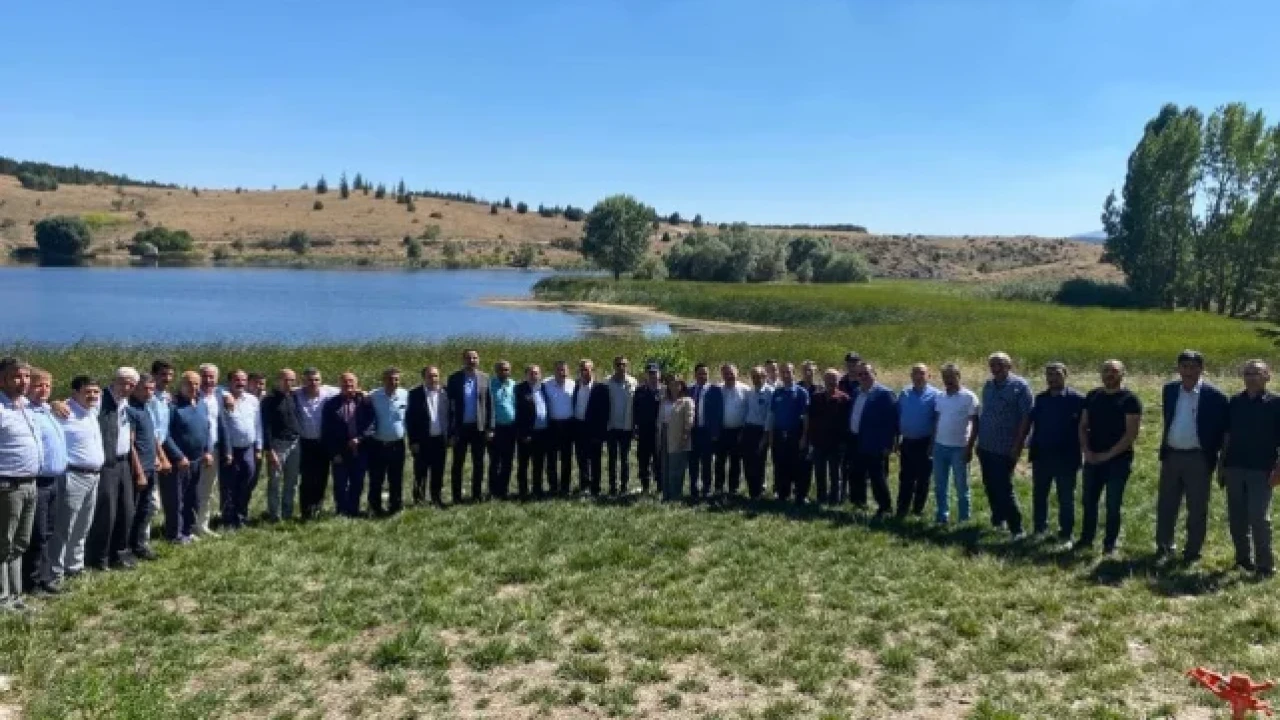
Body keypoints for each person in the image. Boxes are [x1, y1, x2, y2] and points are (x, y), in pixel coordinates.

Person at [1156, 349, 1229, 564]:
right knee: (1166, 504)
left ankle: (1192, 550)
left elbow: (1223, 431)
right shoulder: (1169, 390)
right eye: (1184, 366)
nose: (1188, 371)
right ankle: (1164, 545)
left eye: (1193, 367)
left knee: (1197, 507)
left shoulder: (1215, 396)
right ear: (1178, 368)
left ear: (1201, 369)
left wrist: (1219, 459)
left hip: (1198, 458)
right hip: (1171, 455)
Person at [1219, 360, 1280, 576]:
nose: (1252, 377)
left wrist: (1279, 469)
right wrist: (1222, 464)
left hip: (1262, 470)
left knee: (1258, 517)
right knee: (1237, 518)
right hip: (1235, 467)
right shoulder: (1235, 402)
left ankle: (1265, 565)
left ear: (1267, 376)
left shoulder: (1276, 403)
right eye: (1247, 373)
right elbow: (1227, 435)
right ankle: (1243, 559)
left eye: (1257, 373)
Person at [1078, 360, 1142, 555]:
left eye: (1114, 371)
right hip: (1092, 458)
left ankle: (1110, 543)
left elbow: (1130, 435)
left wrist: (1107, 455)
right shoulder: (1093, 396)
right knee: (1089, 501)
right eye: (1105, 370)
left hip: (1118, 460)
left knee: (1113, 505)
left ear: (1122, 374)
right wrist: (1086, 451)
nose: (1109, 374)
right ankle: (1086, 539)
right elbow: (1083, 425)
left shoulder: (1130, 400)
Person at [47, 376, 104, 589]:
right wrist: (53, 403)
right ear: (75, 393)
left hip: (94, 477)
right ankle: (55, 573)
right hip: (73, 476)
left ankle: (75, 566)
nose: (93, 395)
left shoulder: (92, 411)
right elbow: (39, 411)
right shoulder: (64, 412)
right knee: (64, 527)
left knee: (83, 525)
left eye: (96, 392)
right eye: (88, 391)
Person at [85, 367, 144, 570]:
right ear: (114, 380)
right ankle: (99, 558)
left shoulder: (125, 403)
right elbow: (76, 406)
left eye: (131, 385)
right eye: (123, 382)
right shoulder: (100, 399)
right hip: (106, 464)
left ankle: (120, 554)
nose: (126, 387)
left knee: (127, 510)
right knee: (106, 514)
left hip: (124, 462)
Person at [1027, 362, 1085, 545]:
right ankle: (1039, 529)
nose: (1052, 378)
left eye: (1057, 374)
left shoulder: (1077, 399)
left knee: (1065, 498)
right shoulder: (1040, 399)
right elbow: (1034, 425)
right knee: (1039, 495)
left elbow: (1085, 428)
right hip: (1042, 456)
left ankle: (1066, 533)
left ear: (1065, 375)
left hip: (1067, 458)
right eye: (1049, 375)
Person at [977, 352, 1032, 539]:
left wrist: (1018, 446)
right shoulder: (988, 385)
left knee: (1003, 487)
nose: (995, 368)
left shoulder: (1020, 386)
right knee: (989, 485)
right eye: (992, 364)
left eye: (999, 364)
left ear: (1009, 366)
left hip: (1005, 447)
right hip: (985, 445)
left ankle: (1017, 528)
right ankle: (998, 520)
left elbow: (1026, 418)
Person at [0, 358, 41, 611]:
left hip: (30, 484)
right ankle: (2, 599)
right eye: (17, 376)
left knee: (20, 542)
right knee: (3, 543)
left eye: (26, 376)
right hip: (8, 486)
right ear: (2, 380)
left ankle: (15, 595)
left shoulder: (26, 406)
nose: (23, 381)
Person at [24, 368, 66, 596]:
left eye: (48, 386)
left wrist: (56, 403)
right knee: (37, 534)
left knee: (48, 531)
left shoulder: (49, 410)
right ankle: (32, 582)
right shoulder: (26, 411)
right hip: (37, 481)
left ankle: (45, 576)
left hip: (53, 481)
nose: (44, 390)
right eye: (39, 385)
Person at [161, 371, 213, 544]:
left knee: (192, 497)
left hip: (197, 460)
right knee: (176, 500)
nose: (193, 387)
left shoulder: (201, 403)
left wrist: (207, 451)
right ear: (181, 384)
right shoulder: (173, 406)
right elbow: (165, 435)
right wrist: (178, 456)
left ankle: (187, 530)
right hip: (179, 462)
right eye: (189, 383)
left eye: (197, 383)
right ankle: (174, 535)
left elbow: (206, 428)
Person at [847, 364, 897, 516]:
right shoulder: (857, 392)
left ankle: (885, 507)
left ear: (874, 374)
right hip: (856, 439)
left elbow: (892, 422)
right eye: (860, 374)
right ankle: (859, 502)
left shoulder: (885, 394)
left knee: (877, 476)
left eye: (866, 374)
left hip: (875, 443)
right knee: (856, 473)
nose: (863, 377)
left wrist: (888, 444)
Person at [932, 363, 980, 525]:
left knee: (961, 486)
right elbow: (937, 420)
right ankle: (942, 516)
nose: (948, 380)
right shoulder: (940, 396)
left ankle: (963, 519)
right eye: (945, 377)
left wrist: (969, 447)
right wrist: (932, 443)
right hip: (940, 446)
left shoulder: (969, 397)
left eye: (952, 377)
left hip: (959, 448)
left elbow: (975, 424)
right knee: (940, 485)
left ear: (959, 377)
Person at [125, 373, 165, 558]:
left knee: (146, 508)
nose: (149, 392)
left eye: (152, 389)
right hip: (137, 469)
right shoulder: (130, 410)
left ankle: (139, 545)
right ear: (135, 388)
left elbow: (151, 436)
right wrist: (139, 471)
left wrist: (159, 457)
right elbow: (130, 443)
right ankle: (127, 547)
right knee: (133, 510)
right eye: (145, 388)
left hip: (150, 467)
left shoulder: (145, 408)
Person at [322, 372, 373, 517]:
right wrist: (334, 453)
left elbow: (372, 424)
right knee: (340, 484)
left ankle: (354, 510)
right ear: (340, 384)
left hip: (360, 450)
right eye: (345, 382)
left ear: (357, 384)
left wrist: (360, 439)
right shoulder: (331, 404)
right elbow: (326, 431)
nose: (348, 385)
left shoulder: (365, 402)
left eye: (351, 382)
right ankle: (341, 511)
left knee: (358, 482)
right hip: (340, 451)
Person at [218, 369, 262, 530]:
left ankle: (241, 516)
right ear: (229, 382)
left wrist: (258, 447)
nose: (241, 383)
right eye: (237, 380)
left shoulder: (252, 400)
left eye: (243, 380)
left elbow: (258, 424)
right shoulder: (220, 398)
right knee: (229, 485)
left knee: (247, 483)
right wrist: (224, 393)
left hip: (248, 448)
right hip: (230, 450)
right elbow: (211, 388)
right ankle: (228, 520)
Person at [446, 349, 491, 504]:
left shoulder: (485, 378)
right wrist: (451, 431)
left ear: (478, 360)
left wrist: (490, 428)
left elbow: (489, 404)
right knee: (458, 463)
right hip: (460, 428)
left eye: (474, 358)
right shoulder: (454, 379)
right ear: (463, 360)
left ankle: (476, 495)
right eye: (468, 358)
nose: (472, 360)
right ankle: (456, 497)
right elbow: (449, 407)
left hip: (479, 428)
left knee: (479, 463)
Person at [295, 367, 339, 519]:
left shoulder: (330, 392)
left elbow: (350, 388)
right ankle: (306, 511)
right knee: (307, 479)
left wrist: (364, 393)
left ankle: (317, 510)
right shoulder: (297, 393)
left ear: (321, 380)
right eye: (310, 380)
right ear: (303, 381)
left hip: (323, 443)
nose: (313, 383)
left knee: (321, 478)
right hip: (305, 443)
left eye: (316, 380)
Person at [896, 363, 938, 518]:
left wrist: (933, 444)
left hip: (925, 442)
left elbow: (937, 421)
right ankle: (902, 508)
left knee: (923, 478)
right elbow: (898, 416)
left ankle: (917, 509)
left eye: (922, 373)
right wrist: (897, 439)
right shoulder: (904, 393)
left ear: (929, 376)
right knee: (905, 477)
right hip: (907, 442)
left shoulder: (936, 395)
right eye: (915, 373)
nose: (918, 376)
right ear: (911, 376)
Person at [366, 367, 408, 516]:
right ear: (383, 380)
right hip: (377, 445)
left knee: (396, 478)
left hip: (398, 444)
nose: (393, 382)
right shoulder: (373, 395)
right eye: (390, 379)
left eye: (396, 379)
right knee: (376, 479)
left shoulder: (405, 394)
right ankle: (374, 508)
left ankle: (395, 507)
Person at [261, 369, 302, 521]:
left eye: (292, 380)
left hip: (295, 443)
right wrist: (269, 450)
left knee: (292, 481)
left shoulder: (294, 396)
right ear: (278, 380)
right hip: (277, 445)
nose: (288, 383)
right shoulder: (269, 400)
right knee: (275, 481)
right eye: (285, 380)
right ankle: (274, 515)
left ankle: (287, 513)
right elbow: (266, 426)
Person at [406, 366, 449, 507]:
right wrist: (413, 441)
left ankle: (436, 499)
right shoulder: (415, 394)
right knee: (420, 472)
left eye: (436, 376)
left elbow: (451, 414)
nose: (433, 379)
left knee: (438, 471)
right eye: (430, 376)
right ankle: (419, 500)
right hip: (422, 440)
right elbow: (410, 420)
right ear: (424, 377)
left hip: (440, 439)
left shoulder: (445, 392)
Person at [704, 364, 749, 497]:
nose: (729, 376)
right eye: (726, 373)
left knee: (735, 461)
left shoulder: (745, 390)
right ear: (722, 375)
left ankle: (733, 488)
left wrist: (744, 431)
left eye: (731, 373)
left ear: (737, 373)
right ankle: (718, 487)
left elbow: (748, 411)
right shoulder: (717, 390)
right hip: (721, 431)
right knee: (720, 461)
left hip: (738, 431)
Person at [807, 369, 850, 505]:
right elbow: (811, 419)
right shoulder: (816, 397)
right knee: (819, 472)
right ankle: (821, 498)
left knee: (835, 473)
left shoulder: (844, 399)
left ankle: (835, 499)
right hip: (819, 441)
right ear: (824, 380)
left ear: (838, 381)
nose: (831, 381)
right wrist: (811, 439)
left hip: (836, 443)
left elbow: (847, 422)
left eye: (834, 379)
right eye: (829, 379)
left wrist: (844, 441)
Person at [769, 363, 809, 502]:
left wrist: (804, 436)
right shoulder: (777, 392)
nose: (786, 375)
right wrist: (771, 435)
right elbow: (772, 415)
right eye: (783, 372)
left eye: (788, 372)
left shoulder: (801, 392)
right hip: (779, 434)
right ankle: (782, 494)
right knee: (781, 464)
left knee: (797, 465)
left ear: (793, 373)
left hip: (795, 434)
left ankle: (799, 495)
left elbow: (806, 416)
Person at [145, 359, 174, 547]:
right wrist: (160, 456)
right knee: (151, 501)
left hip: (160, 450)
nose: (167, 378)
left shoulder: (165, 398)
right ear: (154, 375)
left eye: (170, 375)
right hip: (151, 453)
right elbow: (152, 431)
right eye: (163, 374)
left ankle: (143, 539)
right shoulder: (150, 398)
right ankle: (140, 540)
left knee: (152, 500)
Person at [194, 363, 224, 536]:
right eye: (204, 376)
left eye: (211, 377)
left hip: (214, 450)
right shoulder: (192, 395)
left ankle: (202, 525)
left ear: (217, 379)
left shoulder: (219, 395)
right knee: (192, 489)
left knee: (207, 489)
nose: (208, 380)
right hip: (195, 452)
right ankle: (187, 525)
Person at [572, 360, 609, 496]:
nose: (584, 372)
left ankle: (595, 487)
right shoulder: (576, 386)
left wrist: (600, 433)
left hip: (594, 429)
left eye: (587, 369)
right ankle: (584, 486)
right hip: (578, 427)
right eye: (582, 369)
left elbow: (605, 413)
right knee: (581, 458)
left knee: (595, 460)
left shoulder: (601, 388)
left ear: (592, 371)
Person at [515, 365, 551, 498]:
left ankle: (537, 489)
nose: (534, 376)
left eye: (536, 373)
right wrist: (523, 433)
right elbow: (517, 413)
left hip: (542, 433)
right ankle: (523, 491)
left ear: (540, 375)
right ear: (526, 375)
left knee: (539, 463)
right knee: (523, 464)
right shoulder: (519, 389)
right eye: (531, 373)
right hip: (526, 433)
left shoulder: (544, 388)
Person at [657, 374, 695, 502]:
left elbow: (689, 420)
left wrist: (685, 436)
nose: (674, 386)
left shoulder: (687, 401)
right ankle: (666, 495)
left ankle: (675, 496)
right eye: (671, 384)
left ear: (682, 386)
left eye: (677, 384)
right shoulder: (664, 400)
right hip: (664, 434)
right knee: (665, 466)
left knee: (676, 467)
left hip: (679, 435)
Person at [605, 356, 637, 495]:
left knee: (625, 458)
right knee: (612, 458)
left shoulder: (633, 382)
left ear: (627, 366)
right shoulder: (607, 382)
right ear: (614, 366)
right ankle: (612, 486)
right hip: (611, 426)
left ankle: (624, 486)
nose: (621, 367)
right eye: (618, 364)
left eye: (624, 364)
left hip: (626, 426)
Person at [543, 361, 576, 495]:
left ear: (568, 371)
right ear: (554, 371)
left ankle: (565, 487)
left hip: (568, 425)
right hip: (552, 425)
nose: (562, 372)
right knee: (551, 458)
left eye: (564, 370)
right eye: (559, 370)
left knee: (566, 458)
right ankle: (553, 486)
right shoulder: (546, 384)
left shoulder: (573, 384)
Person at [741, 366, 773, 500]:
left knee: (759, 462)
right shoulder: (750, 392)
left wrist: (765, 436)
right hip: (748, 430)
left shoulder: (770, 392)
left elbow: (770, 415)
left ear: (765, 377)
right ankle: (752, 491)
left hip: (761, 431)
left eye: (759, 376)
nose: (756, 379)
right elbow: (746, 412)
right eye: (754, 377)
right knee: (747, 462)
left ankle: (758, 492)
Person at [488, 361, 518, 500]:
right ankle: (493, 490)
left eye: (506, 370)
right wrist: (489, 428)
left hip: (511, 428)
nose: (504, 372)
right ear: (496, 371)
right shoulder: (489, 385)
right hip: (495, 428)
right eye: (501, 370)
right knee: (495, 461)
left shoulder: (513, 385)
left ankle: (503, 489)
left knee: (508, 460)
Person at [632, 363, 663, 494]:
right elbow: (635, 410)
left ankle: (660, 486)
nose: (652, 376)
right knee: (643, 459)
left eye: (655, 373)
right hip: (644, 431)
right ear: (646, 375)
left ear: (659, 374)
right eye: (650, 373)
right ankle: (645, 486)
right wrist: (634, 427)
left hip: (659, 431)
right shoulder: (640, 391)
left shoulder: (664, 391)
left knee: (659, 460)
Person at [688, 363, 713, 498]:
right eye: (700, 373)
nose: (703, 376)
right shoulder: (689, 390)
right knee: (693, 461)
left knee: (707, 462)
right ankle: (693, 487)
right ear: (695, 375)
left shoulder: (714, 390)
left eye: (705, 373)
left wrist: (715, 432)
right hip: (693, 431)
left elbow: (718, 413)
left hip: (707, 432)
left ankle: (706, 488)